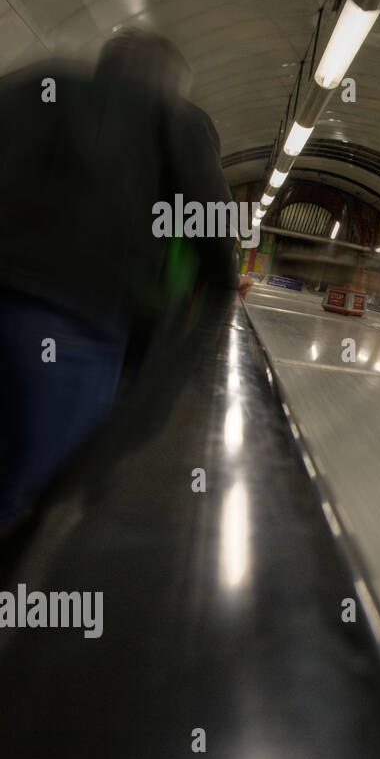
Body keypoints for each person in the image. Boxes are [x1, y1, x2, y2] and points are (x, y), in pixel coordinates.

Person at [0, 31, 246, 530]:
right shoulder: (180, 118)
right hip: (73, 324)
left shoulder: (39, 80)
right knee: (26, 488)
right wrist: (223, 280)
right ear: (172, 81)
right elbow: (211, 221)